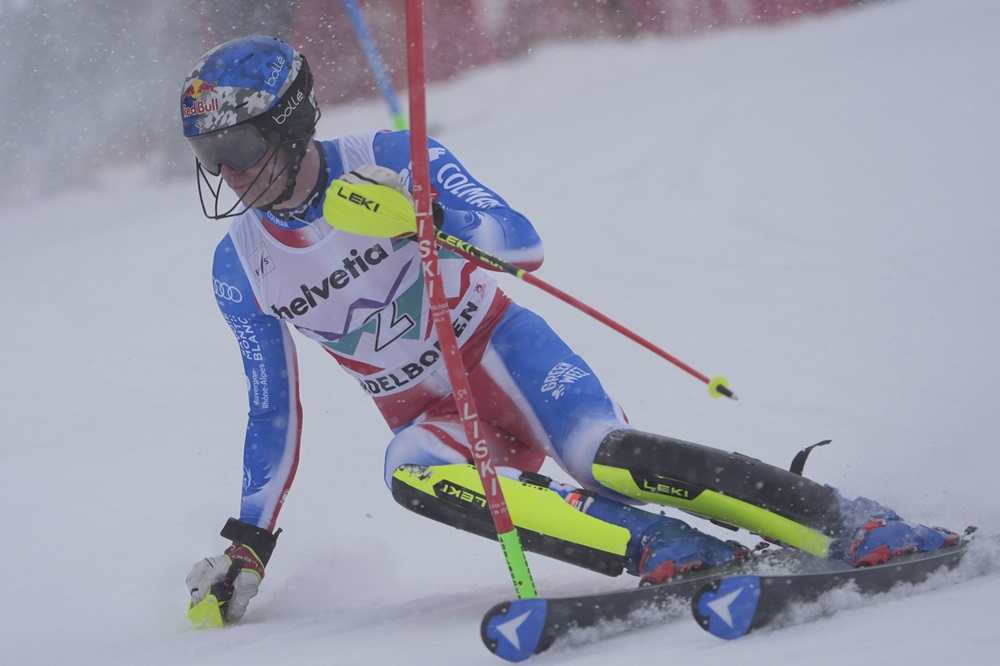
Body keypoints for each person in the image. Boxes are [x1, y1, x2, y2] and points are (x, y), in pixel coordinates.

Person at [181, 36, 959, 625]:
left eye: (240, 148)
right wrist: (249, 542)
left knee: (601, 460)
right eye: (210, 157)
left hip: (503, 354)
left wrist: (431, 216)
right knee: (406, 468)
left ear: (290, 126)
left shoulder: (385, 158)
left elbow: (521, 242)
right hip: (432, 416)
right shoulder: (240, 264)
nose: (230, 174)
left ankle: (850, 522)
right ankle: (665, 549)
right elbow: (272, 408)